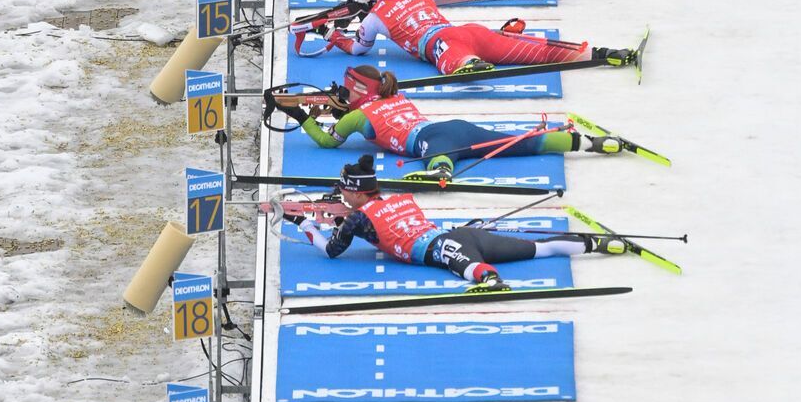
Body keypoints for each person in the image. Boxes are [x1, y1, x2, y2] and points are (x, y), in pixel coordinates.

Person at [286, 156, 625, 293]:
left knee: (465, 265)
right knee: (538, 249)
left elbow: (331, 249)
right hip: (458, 233)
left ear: (354, 192)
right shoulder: (393, 196)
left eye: (344, 191)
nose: (341, 196)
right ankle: (597, 243)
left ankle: (489, 280)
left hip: (442, 246)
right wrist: (327, 218)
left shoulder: (359, 218)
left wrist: (306, 225)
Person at [294, 0, 644, 77]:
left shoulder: (375, 17)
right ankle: (604, 54)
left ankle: (472, 64)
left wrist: (330, 35)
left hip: (442, 46)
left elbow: (358, 51)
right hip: (468, 31)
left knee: (460, 65)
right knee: (536, 51)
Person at [270, 70, 640, 182]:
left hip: (434, 140)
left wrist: (301, 114)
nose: (344, 97)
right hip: (453, 127)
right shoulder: (392, 96)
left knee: (440, 160)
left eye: (348, 92)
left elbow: (326, 143)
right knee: (518, 143)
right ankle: (588, 142)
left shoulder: (356, 116)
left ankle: (440, 172)